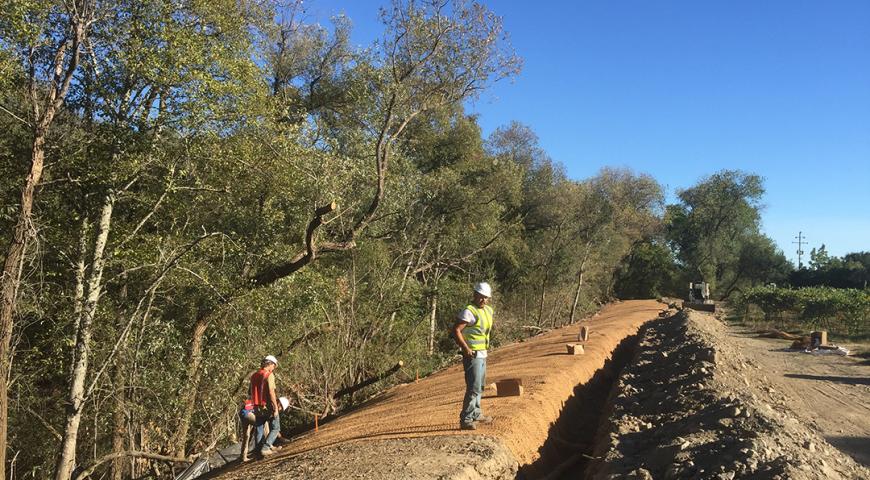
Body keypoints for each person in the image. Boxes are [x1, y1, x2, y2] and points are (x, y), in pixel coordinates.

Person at [452, 282, 495, 430]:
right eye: (481, 296)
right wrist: (465, 348)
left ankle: (476, 413)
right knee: (473, 386)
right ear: (475, 295)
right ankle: (466, 418)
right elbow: (456, 330)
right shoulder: (468, 311)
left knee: (480, 385)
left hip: (482, 353)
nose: (483, 300)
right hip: (472, 355)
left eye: (486, 297)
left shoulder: (488, 310)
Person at [245, 355, 282, 458]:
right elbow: (271, 392)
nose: (273, 369)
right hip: (267, 406)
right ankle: (266, 447)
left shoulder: (254, 376)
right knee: (276, 427)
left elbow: (249, 392)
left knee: (259, 428)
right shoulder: (268, 375)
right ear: (270, 364)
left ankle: (258, 451)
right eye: (274, 366)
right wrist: (275, 407)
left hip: (256, 407)